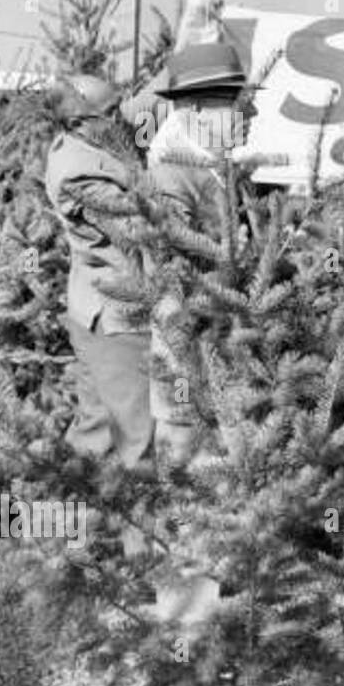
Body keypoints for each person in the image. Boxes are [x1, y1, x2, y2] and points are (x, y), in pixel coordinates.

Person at [141, 41, 255, 463]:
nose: (249, 114)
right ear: (196, 112)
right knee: (185, 432)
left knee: (232, 430)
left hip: (221, 326)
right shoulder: (172, 171)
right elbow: (169, 258)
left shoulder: (219, 166)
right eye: (237, 104)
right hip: (190, 329)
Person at [44, 75, 153, 470]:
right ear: (80, 121)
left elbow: (143, 102)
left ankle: (69, 516)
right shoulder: (79, 172)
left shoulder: (89, 142)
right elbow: (134, 229)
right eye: (111, 113)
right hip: (117, 317)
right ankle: (138, 527)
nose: (121, 120)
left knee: (95, 429)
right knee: (136, 437)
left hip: (90, 310)